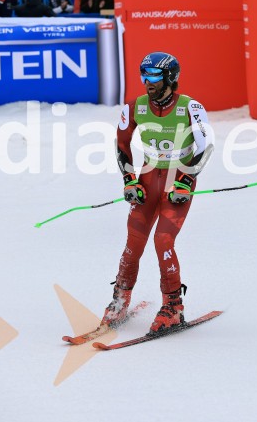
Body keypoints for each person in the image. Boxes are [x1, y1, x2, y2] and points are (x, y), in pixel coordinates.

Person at [104, 52, 214, 334]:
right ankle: (120, 299)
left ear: (170, 78)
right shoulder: (134, 107)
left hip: (178, 181)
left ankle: (173, 307)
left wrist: (187, 180)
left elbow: (205, 146)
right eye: (144, 76)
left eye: (153, 76)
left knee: (163, 240)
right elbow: (122, 146)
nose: (147, 82)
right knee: (133, 242)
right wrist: (129, 180)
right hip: (148, 179)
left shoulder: (192, 107)